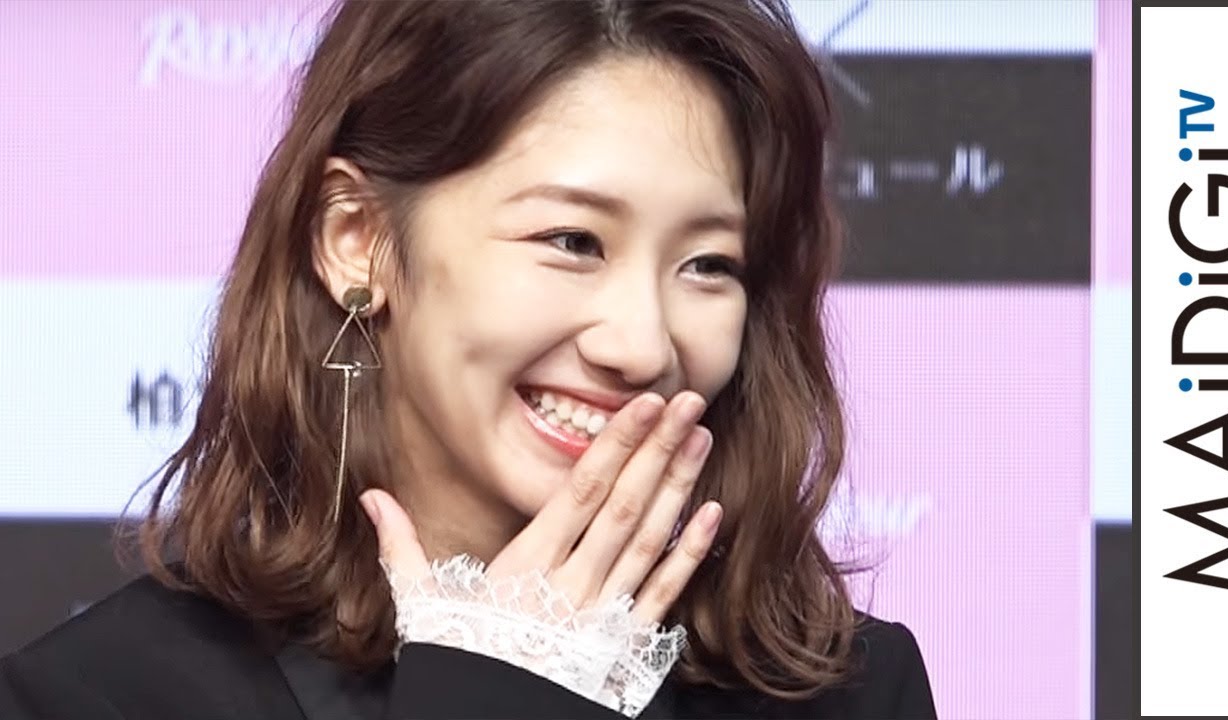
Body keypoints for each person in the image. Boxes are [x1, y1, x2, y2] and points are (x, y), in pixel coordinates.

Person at [0, 0, 936, 718]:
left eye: (709, 265)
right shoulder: (99, 696)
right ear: (358, 240)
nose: (645, 345)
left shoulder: (848, 690)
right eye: (573, 241)